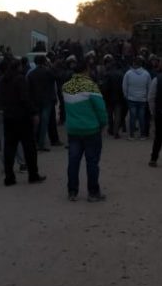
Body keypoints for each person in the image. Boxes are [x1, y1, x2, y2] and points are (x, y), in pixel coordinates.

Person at [63, 57, 108, 201]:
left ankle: (72, 191)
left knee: (73, 161)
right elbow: (101, 109)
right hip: (91, 130)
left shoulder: (66, 87)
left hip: (73, 130)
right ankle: (93, 193)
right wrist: (103, 124)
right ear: (86, 70)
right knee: (92, 162)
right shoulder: (91, 86)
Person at [0, 57, 45, 187]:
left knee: (9, 148)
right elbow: (25, 98)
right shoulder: (20, 79)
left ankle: (9, 177)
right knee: (29, 148)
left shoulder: (3, 81)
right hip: (22, 117)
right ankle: (33, 174)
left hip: (9, 117)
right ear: (18, 67)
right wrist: (34, 112)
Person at [27, 54, 58, 151]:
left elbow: (29, 88)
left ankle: (34, 142)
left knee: (36, 122)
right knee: (44, 122)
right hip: (47, 100)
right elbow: (56, 77)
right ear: (44, 62)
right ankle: (41, 143)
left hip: (36, 100)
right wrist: (51, 66)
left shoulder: (31, 74)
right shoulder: (48, 72)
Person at [122, 57, 151, 140]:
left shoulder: (128, 73)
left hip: (131, 99)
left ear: (133, 63)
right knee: (142, 117)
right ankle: (143, 135)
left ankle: (131, 135)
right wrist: (147, 97)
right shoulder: (146, 74)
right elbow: (149, 87)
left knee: (132, 117)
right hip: (143, 99)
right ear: (141, 64)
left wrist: (126, 95)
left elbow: (124, 86)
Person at [100, 55, 125, 139]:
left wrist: (104, 95)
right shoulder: (121, 74)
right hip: (119, 98)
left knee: (109, 115)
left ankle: (111, 129)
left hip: (109, 99)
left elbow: (105, 88)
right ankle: (116, 132)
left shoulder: (107, 75)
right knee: (117, 116)